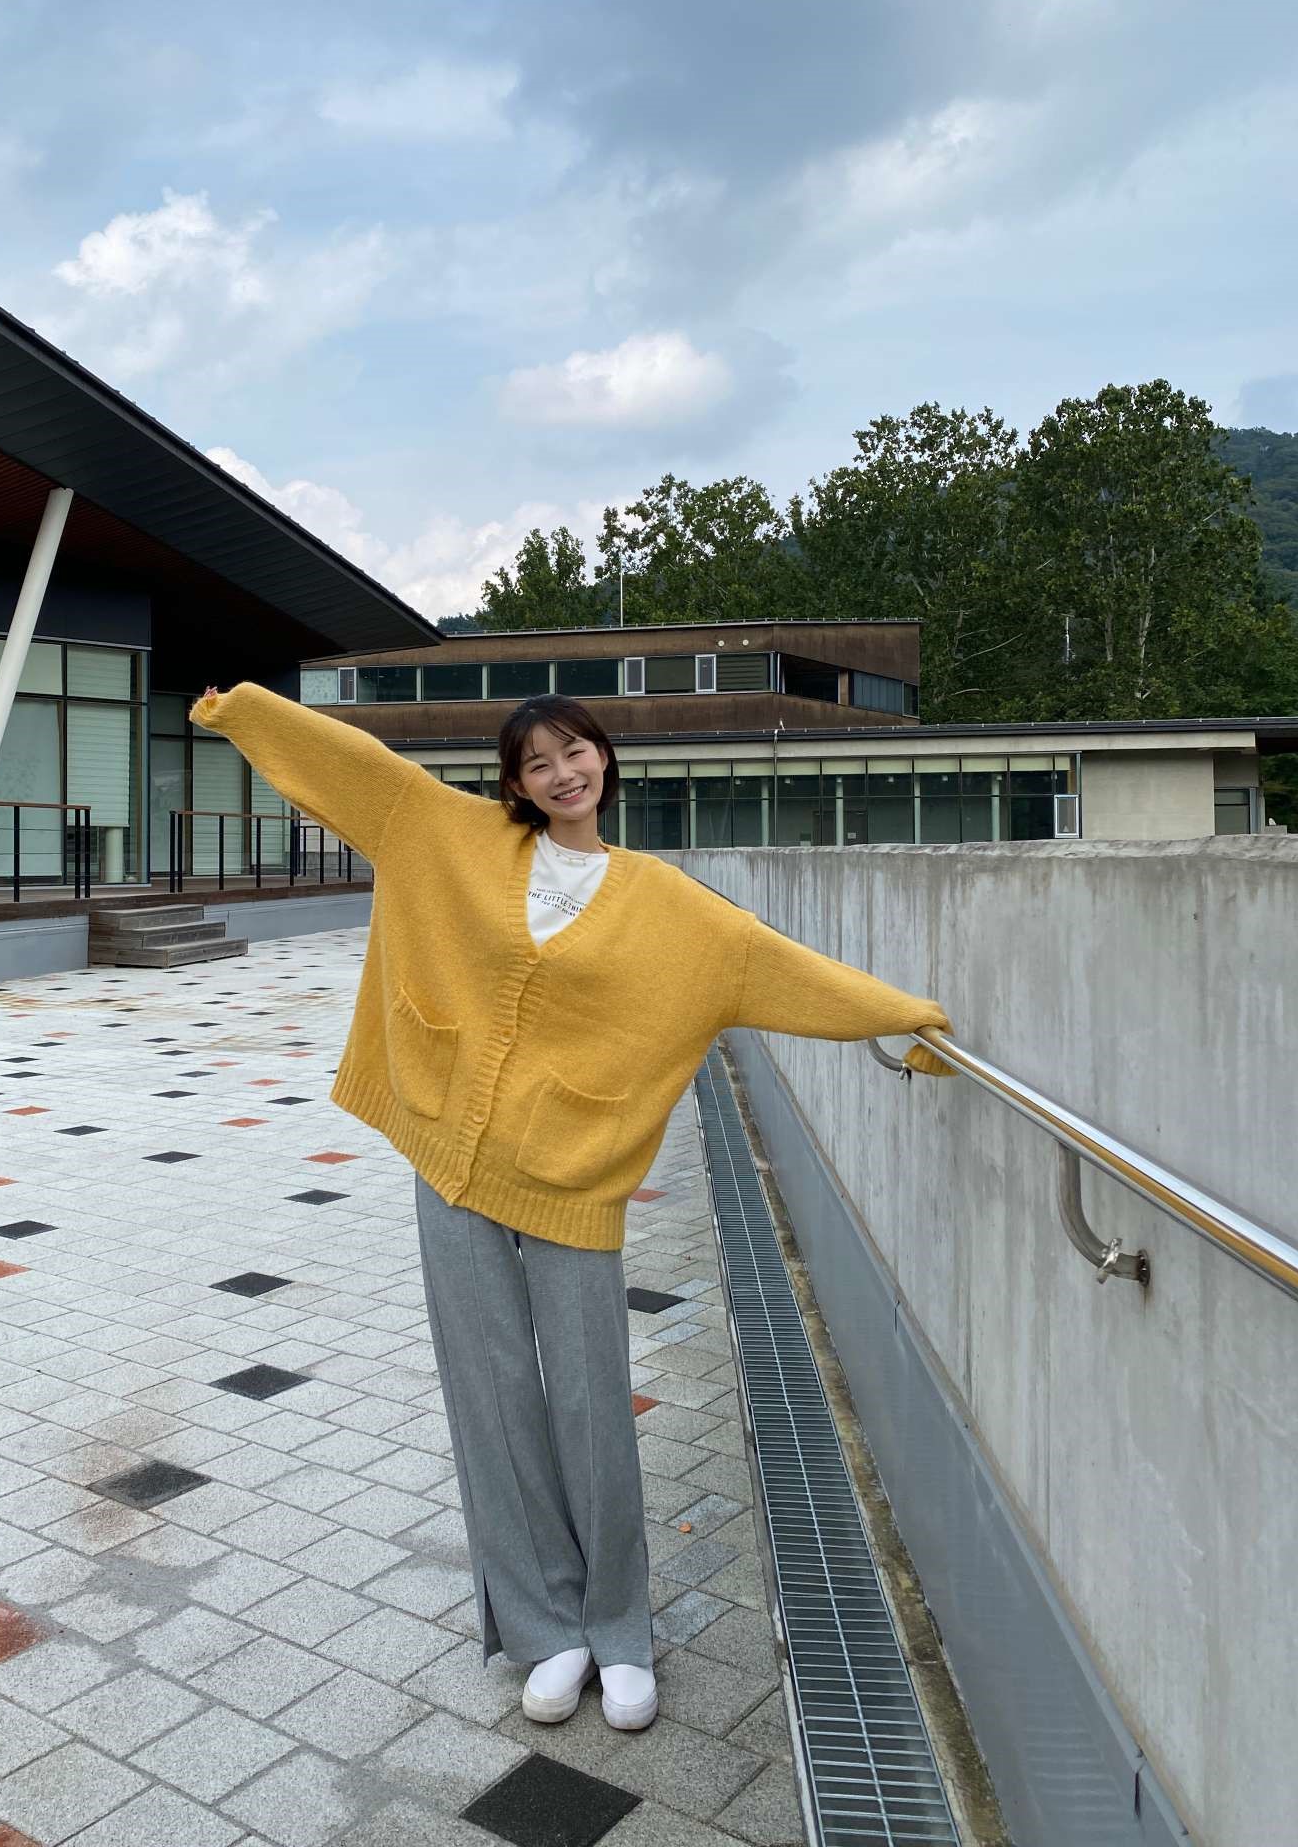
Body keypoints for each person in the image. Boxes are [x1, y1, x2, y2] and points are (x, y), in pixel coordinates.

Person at [191, 681, 954, 1733]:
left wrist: (908, 1017)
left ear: (605, 759)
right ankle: (544, 1628)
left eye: (576, 752)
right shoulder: (450, 834)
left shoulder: (669, 904)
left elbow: (776, 969)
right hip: (450, 1161)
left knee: (592, 1402)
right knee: (491, 1395)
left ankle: (620, 1629)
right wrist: (245, 710)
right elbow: (358, 768)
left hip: (571, 1174)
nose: (562, 774)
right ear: (515, 784)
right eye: (537, 763)